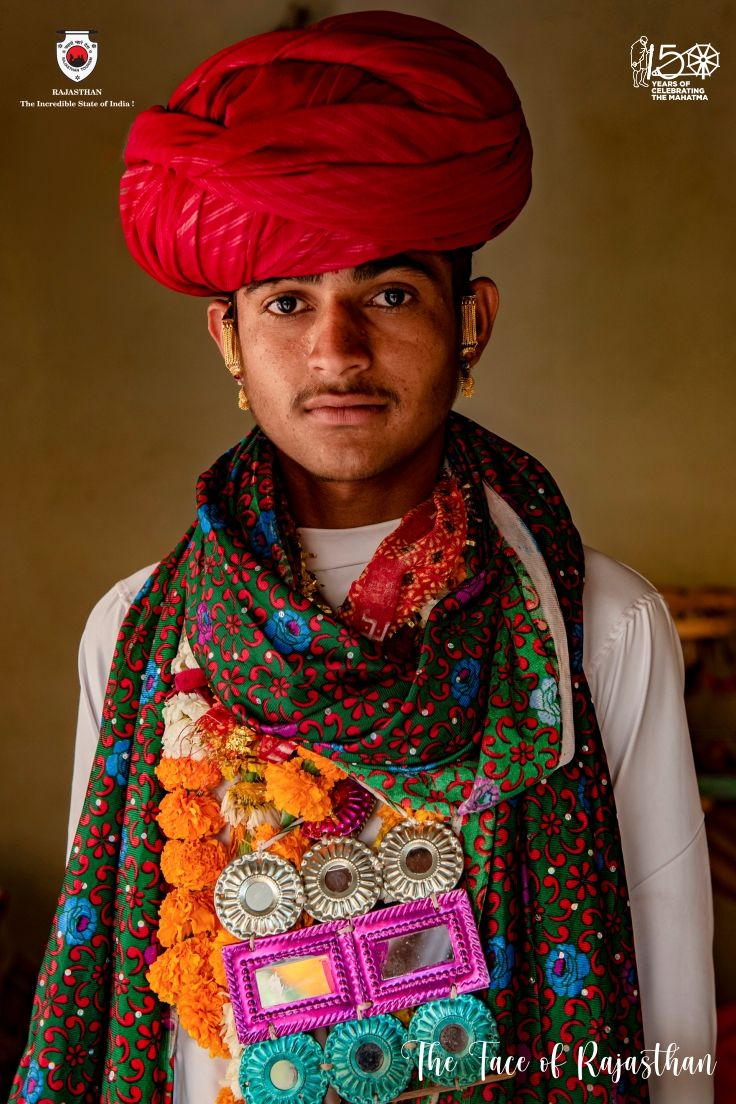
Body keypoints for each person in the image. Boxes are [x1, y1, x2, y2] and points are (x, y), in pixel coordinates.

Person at [11, 11, 714, 1104]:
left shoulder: (597, 625)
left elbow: (668, 1006)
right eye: (288, 303)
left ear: (470, 323)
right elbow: (115, 974)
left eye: (389, 295)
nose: (337, 351)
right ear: (228, 340)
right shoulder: (143, 629)